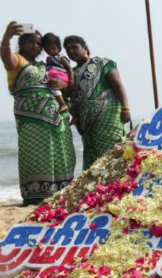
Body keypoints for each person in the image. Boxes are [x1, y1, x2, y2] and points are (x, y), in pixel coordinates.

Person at [1, 21, 75, 204]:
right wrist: (7, 38)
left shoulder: (46, 65)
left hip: (57, 121)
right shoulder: (18, 61)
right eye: (30, 42)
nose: (34, 46)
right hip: (32, 122)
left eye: (38, 43)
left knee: (61, 155)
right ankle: (36, 196)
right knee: (34, 156)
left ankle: (60, 193)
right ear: (22, 43)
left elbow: (66, 86)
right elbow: (6, 59)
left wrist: (63, 85)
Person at [63, 35, 130, 170]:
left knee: (114, 153)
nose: (71, 51)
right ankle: (99, 190)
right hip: (88, 125)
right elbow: (72, 100)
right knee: (95, 163)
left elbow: (118, 86)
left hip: (109, 118)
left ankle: (119, 187)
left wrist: (126, 109)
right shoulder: (72, 74)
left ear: (85, 48)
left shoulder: (103, 63)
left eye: (74, 47)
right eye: (67, 49)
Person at [42, 32, 70, 113]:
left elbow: (69, 68)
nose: (51, 51)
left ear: (59, 48)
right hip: (54, 76)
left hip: (62, 76)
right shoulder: (49, 58)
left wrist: (71, 80)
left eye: (53, 48)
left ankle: (63, 104)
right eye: (48, 50)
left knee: (53, 88)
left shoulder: (61, 57)